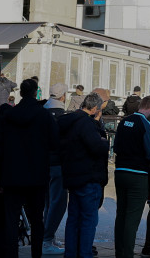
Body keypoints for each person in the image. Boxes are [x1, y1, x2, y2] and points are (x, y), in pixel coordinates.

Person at [0, 77, 59, 258]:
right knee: (37, 219)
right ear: (35, 92)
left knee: (11, 220)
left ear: (21, 93)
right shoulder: (44, 115)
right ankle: (36, 254)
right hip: (37, 175)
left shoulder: (9, 115)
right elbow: (54, 143)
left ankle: (11, 255)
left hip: (12, 174)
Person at [59, 92, 110, 258]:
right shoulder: (86, 124)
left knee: (73, 218)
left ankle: (71, 253)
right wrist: (104, 143)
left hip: (72, 176)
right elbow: (96, 147)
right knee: (88, 220)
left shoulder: (69, 121)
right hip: (89, 176)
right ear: (95, 108)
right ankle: (85, 253)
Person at [114, 94, 150, 258]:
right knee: (132, 218)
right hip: (138, 174)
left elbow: (116, 147)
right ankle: (127, 254)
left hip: (120, 172)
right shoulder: (147, 124)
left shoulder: (124, 121)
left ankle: (119, 252)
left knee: (121, 215)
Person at [44, 82, 70, 255]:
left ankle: (47, 236)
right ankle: (47, 239)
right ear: (63, 97)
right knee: (58, 203)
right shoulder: (64, 117)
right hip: (58, 164)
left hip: (42, 163)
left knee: (47, 203)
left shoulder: (41, 113)